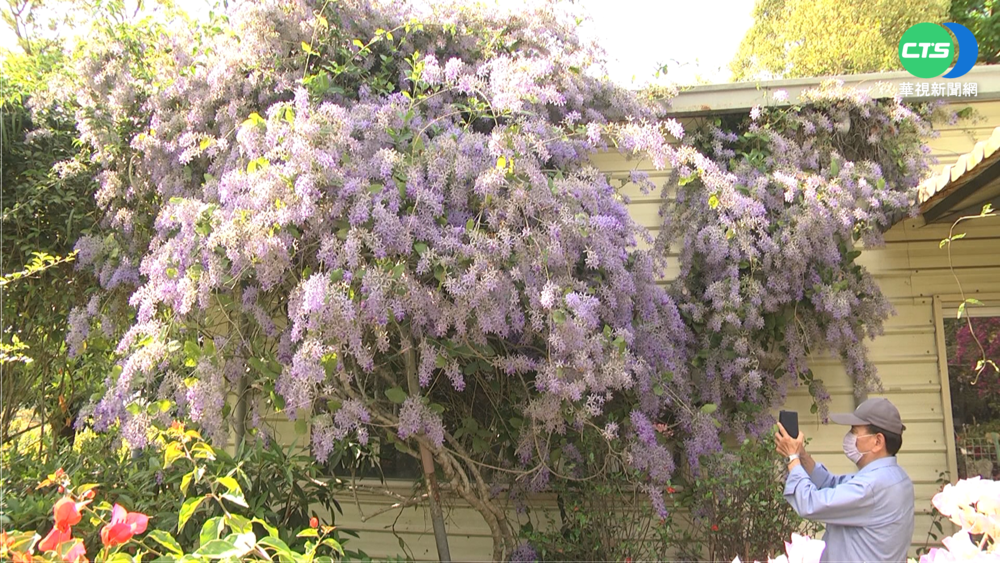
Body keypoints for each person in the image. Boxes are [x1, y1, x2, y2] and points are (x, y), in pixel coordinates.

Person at [774, 397, 915, 563]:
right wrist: (802, 455)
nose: (849, 437)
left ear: (877, 441)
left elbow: (810, 503)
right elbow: (831, 485)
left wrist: (792, 458)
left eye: (854, 431)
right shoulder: (896, 477)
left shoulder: (872, 486)